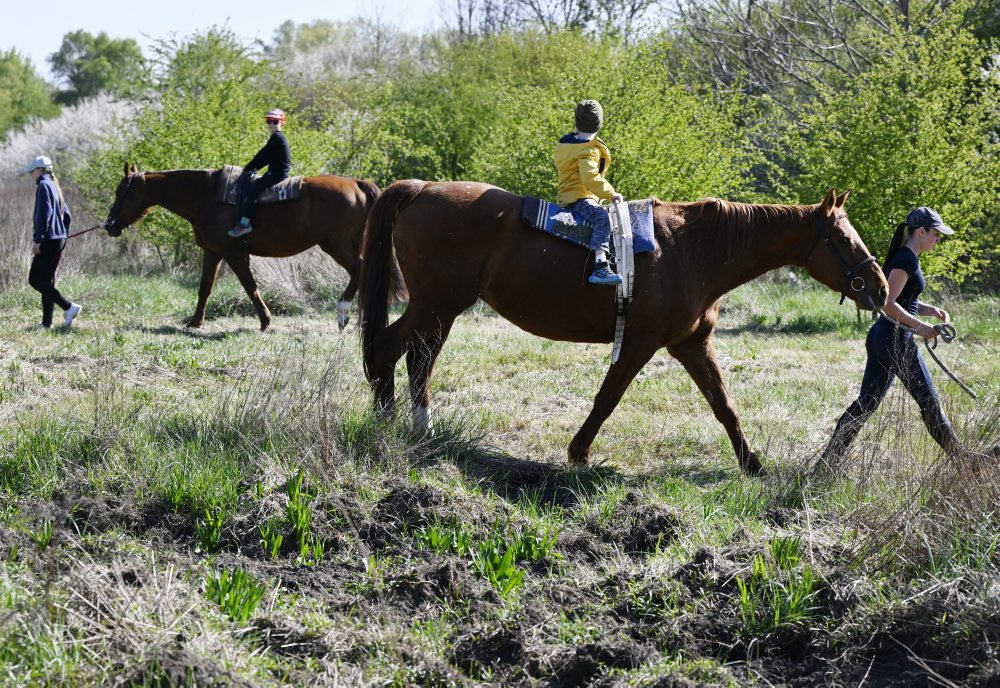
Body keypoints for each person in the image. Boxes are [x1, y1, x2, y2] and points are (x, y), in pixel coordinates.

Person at [821, 207, 977, 467]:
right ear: (921, 231)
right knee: (930, 402)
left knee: (866, 404)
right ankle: (964, 461)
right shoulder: (907, 259)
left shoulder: (908, 257)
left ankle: (828, 462)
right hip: (895, 340)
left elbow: (904, 299)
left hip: (884, 336)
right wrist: (921, 326)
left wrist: (929, 310)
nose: (938, 238)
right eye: (936, 233)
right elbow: (887, 303)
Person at [553, 99, 623, 286]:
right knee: (602, 218)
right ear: (599, 124)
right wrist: (610, 193)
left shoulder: (567, 144)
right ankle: (600, 266)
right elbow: (590, 178)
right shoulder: (588, 150)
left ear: (576, 122)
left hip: (567, 195)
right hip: (580, 197)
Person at [24, 155, 82, 329]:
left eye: (32, 171)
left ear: (40, 170)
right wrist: (62, 234)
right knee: (46, 281)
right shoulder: (54, 185)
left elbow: (44, 215)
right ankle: (47, 323)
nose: (31, 175)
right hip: (58, 239)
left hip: (49, 240)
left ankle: (69, 307)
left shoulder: (43, 184)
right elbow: (68, 216)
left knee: (35, 280)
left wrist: (38, 240)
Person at [228, 108, 291, 238]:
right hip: (276, 172)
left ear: (281, 123)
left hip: (277, 174)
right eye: (269, 121)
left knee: (253, 189)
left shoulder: (277, 138)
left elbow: (262, 155)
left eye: (275, 121)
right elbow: (266, 158)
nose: (271, 124)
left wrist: (249, 167)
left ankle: (245, 224)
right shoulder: (277, 138)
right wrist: (253, 168)